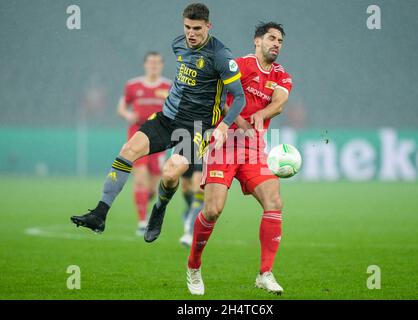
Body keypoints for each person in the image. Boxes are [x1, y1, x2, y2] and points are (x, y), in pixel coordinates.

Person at [70, 3, 246, 240]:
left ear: (208, 26)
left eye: (197, 28)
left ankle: (159, 209)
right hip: (167, 118)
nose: (191, 33)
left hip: (196, 127)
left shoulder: (221, 56)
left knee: (171, 173)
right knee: (127, 150)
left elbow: (240, 98)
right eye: (187, 28)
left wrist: (224, 125)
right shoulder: (178, 44)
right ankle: (100, 214)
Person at [185, 22, 292, 296]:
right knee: (213, 210)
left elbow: (279, 102)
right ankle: (194, 266)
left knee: (274, 202)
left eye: (280, 40)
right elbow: (218, 98)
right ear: (257, 41)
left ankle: (265, 273)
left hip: (254, 148)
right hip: (225, 143)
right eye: (271, 38)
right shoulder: (240, 65)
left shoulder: (282, 75)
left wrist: (262, 115)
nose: (276, 44)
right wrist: (240, 120)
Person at [117, 52, 171, 236]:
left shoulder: (169, 86)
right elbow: (122, 106)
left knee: (154, 185)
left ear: (162, 65)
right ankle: (142, 221)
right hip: (137, 135)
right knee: (140, 177)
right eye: (150, 62)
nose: (153, 65)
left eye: (157, 62)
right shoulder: (133, 85)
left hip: (159, 137)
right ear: (145, 65)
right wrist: (127, 115)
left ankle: (144, 203)